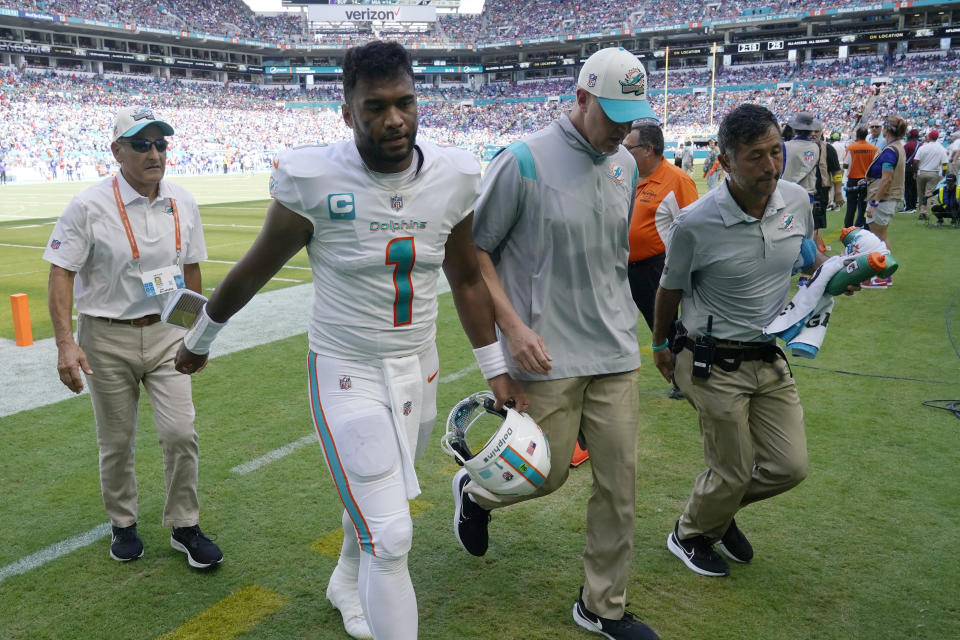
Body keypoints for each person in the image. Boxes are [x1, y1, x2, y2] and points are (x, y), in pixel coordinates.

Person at [175, 41, 525, 640]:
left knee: (379, 495)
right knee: (391, 533)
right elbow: (254, 268)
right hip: (346, 366)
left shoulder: (455, 175)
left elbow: (466, 276)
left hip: (421, 364)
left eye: (406, 103)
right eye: (375, 107)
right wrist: (202, 335)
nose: (395, 119)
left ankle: (344, 577)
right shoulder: (314, 178)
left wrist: (495, 366)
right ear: (347, 112)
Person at [453, 47, 659, 640]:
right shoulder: (521, 163)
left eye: (633, 115)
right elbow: (476, 253)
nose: (623, 127)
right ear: (582, 96)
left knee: (621, 485)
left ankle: (601, 606)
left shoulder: (626, 165)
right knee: (546, 476)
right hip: (545, 353)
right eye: (613, 112)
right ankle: (476, 492)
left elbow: (611, 259)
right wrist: (512, 328)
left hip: (615, 350)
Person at [651, 103, 843, 578]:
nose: (771, 165)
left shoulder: (796, 200)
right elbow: (668, 289)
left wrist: (838, 273)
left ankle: (714, 514)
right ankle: (690, 534)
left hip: (769, 357)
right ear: (727, 159)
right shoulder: (696, 223)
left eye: (776, 151)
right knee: (732, 470)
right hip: (711, 362)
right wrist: (659, 347)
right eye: (756, 156)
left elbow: (808, 257)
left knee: (789, 466)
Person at [43, 107, 222, 569]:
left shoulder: (182, 200)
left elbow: (191, 271)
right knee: (116, 441)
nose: (154, 153)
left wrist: (195, 337)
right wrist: (66, 342)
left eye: (161, 143)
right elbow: (61, 272)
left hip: (166, 334)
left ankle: (185, 525)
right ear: (116, 150)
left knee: (181, 433)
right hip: (105, 337)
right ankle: (123, 524)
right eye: (141, 144)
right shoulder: (88, 205)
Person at [624, 119, 699, 400]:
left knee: (666, 324)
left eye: (629, 147)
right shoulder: (627, 176)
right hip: (625, 267)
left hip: (657, 266)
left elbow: (695, 225)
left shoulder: (677, 180)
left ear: (649, 149)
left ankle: (682, 377)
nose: (624, 151)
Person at [863, 114, 908, 288]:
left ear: (886, 129)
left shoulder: (891, 150)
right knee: (881, 237)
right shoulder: (897, 147)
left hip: (883, 199)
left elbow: (886, 179)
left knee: (878, 238)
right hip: (887, 198)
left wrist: (874, 202)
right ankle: (884, 274)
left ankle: (884, 275)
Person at [782, 112, 828, 251]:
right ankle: (806, 261)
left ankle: (788, 254)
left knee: (787, 227)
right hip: (807, 194)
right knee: (804, 228)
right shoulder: (816, 147)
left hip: (787, 193)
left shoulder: (785, 146)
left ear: (795, 129)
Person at [842, 127, 878, 228]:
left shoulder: (851, 148)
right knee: (864, 206)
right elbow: (876, 165)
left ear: (857, 135)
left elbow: (845, 164)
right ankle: (863, 226)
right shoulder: (873, 149)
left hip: (853, 180)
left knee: (851, 207)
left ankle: (848, 228)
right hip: (867, 180)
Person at [912, 129, 948, 220]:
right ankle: (924, 212)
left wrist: (915, 172)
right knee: (928, 194)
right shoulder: (941, 148)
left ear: (929, 137)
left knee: (920, 194)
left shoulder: (923, 147)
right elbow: (944, 164)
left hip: (921, 172)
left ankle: (921, 211)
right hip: (933, 173)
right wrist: (943, 174)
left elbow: (915, 161)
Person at [902, 129, 921, 213]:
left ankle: (908, 207)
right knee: (914, 188)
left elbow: (903, 157)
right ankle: (913, 206)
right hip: (917, 168)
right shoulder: (921, 145)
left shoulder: (907, 145)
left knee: (907, 187)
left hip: (908, 167)